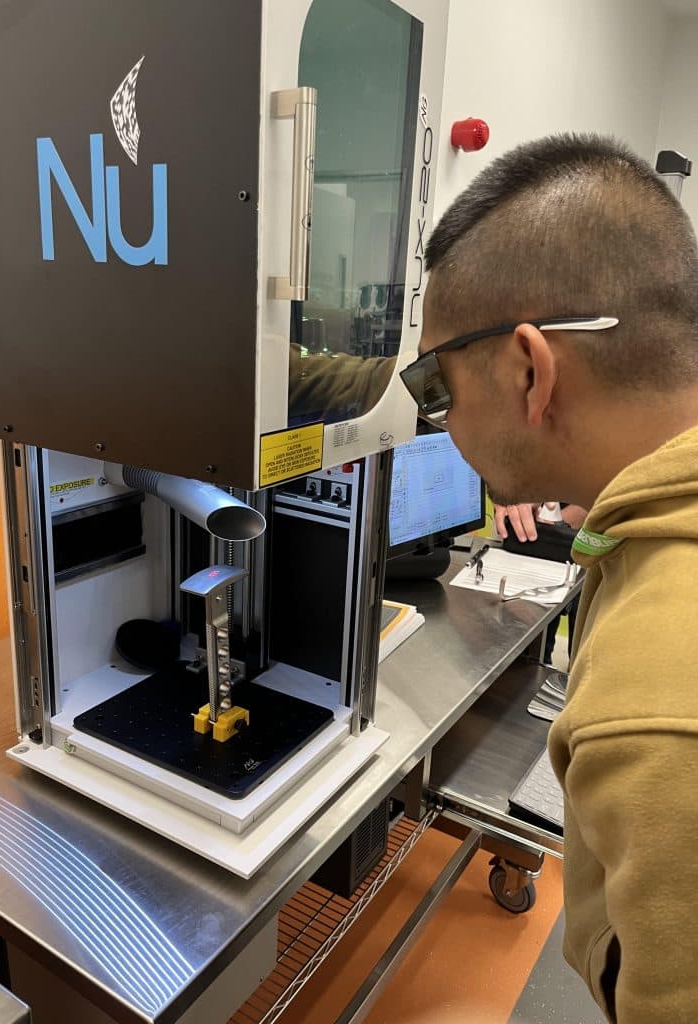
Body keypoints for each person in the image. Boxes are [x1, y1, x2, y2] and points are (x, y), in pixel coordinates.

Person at [398, 134, 698, 1022]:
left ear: (530, 370)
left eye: (435, 385)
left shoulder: (656, 710)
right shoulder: (643, 533)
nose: (438, 420)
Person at [494, 501, 586, 663]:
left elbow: (606, 495)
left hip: (589, 545)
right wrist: (505, 498)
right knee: (526, 653)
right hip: (528, 548)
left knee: (584, 659)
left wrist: (555, 532)